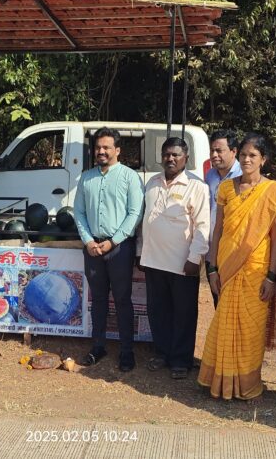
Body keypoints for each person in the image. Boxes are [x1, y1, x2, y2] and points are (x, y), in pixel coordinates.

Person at [199, 132, 276, 399]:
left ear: (264, 159)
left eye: (253, 155)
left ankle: (247, 385)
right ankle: (221, 384)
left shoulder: (272, 192)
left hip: (256, 270)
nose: (247, 159)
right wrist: (213, 268)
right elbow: (218, 230)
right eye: (244, 155)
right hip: (226, 267)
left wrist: (272, 276)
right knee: (223, 324)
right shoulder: (227, 188)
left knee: (250, 330)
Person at [138, 137, 210, 379]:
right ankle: (161, 353)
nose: (170, 159)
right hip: (153, 260)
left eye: (176, 155)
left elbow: (203, 225)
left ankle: (181, 360)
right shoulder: (152, 183)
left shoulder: (196, 186)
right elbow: (146, 220)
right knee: (158, 311)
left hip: (182, 263)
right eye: (167, 154)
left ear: (186, 159)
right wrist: (142, 253)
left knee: (183, 313)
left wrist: (195, 258)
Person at [73, 127, 143, 372]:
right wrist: (88, 241)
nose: (101, 151)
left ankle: (126, 351)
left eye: (106, 147)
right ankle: (98, 346)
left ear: (117, 150)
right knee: (99, 299)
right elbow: (79, 212)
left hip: (119, 248)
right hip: (93, 248)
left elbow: (135, 213)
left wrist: (113, 241)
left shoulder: (129, 176)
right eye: (98, 147)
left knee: (123, 299)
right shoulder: (86, 177)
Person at [204, 130, 242, 307]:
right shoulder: (210, 176)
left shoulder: (244, 177)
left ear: (234, 151)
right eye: (212, 150)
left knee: (234, 304)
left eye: (219, 151)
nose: (214, 155)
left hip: (234, 251)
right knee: (218, 303)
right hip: (212, 250)